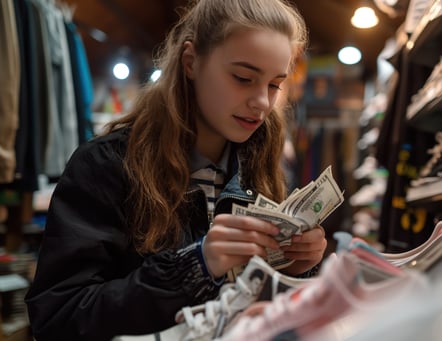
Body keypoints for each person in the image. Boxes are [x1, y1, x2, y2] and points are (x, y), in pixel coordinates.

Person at [25, 0, 327, 340]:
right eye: (243, 78)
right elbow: (58, 319)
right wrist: (194, 267)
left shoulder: (260, 165)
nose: (262, 102)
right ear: (190, 62)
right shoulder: (106, 165)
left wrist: (294, 269)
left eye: (274, 84)